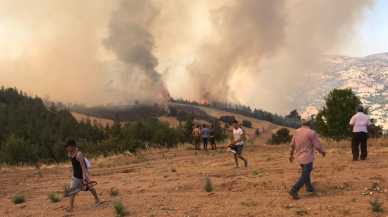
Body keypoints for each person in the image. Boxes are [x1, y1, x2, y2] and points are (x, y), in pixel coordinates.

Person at [288, 116, 326, 200]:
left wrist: (291, 154)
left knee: (306, 173)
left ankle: (309, 188)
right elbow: (317, 145)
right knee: (305, 174)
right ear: (309, 122)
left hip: (299, 157)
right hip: (307, 158)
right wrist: (322, 152)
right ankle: (294, 190)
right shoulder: (311, 133)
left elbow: (292, 144)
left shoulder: (297, 131)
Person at [65, 140, 101, 213]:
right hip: (75, 176)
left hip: (82, 175)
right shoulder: (70, 154)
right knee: (71, 190)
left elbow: (83, 165)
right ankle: (71, 208)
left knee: (89, 187)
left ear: (73, 146)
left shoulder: (79, 154)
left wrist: (84, 175)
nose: (67, 148)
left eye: (68, 147)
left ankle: (97, 200)